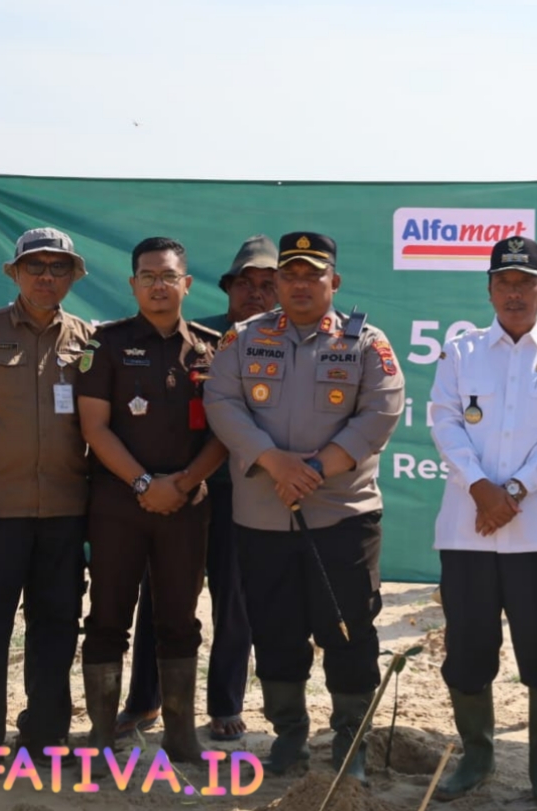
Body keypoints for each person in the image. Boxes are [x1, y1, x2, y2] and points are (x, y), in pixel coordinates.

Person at [204, 232, 405, 783]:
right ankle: (289, 736)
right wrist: (274, 462)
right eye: (288, 275)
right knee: (275, 630)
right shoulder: (244, 339)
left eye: (312, 275)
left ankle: (350, 742)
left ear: (333, 282)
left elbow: (381, 411)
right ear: (277, 283)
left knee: (349, 629)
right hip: (262, 516)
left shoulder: (366, 344)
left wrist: (312, 469)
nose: (299, 285)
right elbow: (221, 401)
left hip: (342, 515)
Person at [428, 237, 537, 807]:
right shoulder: (461, 351)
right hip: (467, 530)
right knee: (467, 651)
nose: (515, 293)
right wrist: (480, 488)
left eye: (526, 283)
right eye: (505, 282)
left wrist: (514, 490)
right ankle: (477, 758)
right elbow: (444, 423)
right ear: (490, 289)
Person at [118, 235, 277, 743]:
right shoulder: (201, 338)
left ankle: (225, 704)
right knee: (160, 597)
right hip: (181, 489)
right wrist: (173, 482)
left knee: (235, 600)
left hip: (245, 492)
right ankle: (144, 700)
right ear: (227, 288)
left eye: (267, 284)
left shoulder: (288, 343)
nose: (255, 293)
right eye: (245, 283)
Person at [76, 237, 228, 763]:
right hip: (118, 506)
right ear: (133, 284)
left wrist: (181, 485)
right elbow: (94, 427)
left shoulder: (212, 349)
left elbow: (225, 432)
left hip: (187, 507)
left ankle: (181, 736)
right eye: (148, 276)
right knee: (107, 618)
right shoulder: (106, 344)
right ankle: (101, 736)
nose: (158, 285)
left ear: (187, 284)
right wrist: (145, 484)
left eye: (168, 276)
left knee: (180, 621)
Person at [0, 228, 94, 770]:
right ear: (14, 273)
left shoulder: (88, 340)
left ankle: (45, 739)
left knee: (57, 631)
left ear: (73, 277)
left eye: (58, 267)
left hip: (65, 513)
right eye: (34, 266)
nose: (45, 276)